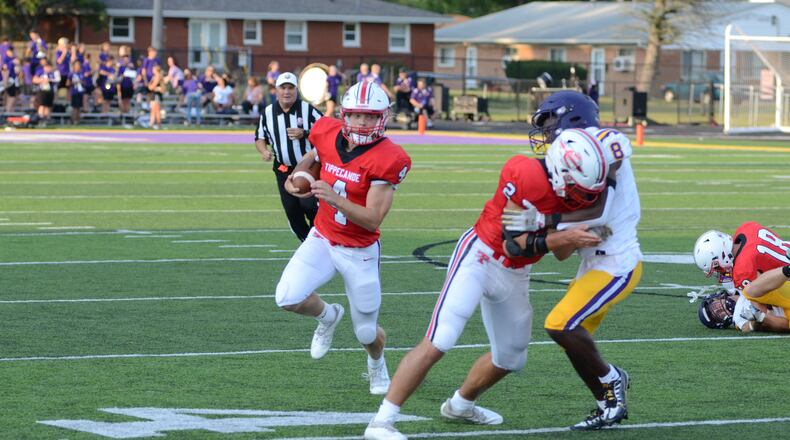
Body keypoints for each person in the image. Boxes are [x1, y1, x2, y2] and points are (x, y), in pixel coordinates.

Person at [364, 127, 609, 439]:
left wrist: (580, 237)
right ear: (561, 170)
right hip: (481, 255)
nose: (582, 197)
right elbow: (514, 244)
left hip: (516, 273)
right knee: (441, 338)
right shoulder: (524, 173)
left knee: (512, 356)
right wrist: (565, 234)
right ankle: (381, 422)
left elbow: (560, 254)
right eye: (578, 187)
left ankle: (460, 405)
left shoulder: (574, 195)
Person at [276, 81, 411, 396]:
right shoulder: (326, 130)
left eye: (369, 116)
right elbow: (313, 156)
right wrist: (298, 179)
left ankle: (377, 365)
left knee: (366, 331)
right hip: (322, 237)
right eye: (355, 116)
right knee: (287, 297)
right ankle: (328, 315)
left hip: (358, 249)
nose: (361, 123)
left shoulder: (389, 157)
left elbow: (373, 218)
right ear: (344, 114)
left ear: (383, 117)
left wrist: (332, 198)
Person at [526, 90, 643, 431]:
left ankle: (612, 388)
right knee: (571, 342)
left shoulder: (605, 141)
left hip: (618, 261)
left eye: (548, 122)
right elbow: (562, 252)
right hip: (591, 264)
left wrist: (552, 223)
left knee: (560, 324)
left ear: (570, 116)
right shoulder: (562, 160)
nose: (545, 133)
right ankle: (608, 395)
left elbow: (602, 209)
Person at [254, 72, 323, 242]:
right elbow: (259, 137)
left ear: (296, 90)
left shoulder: (308, 110)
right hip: (283, 169)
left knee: (310, 206)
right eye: (283, 88)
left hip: (309, 168)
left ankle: (317, 241)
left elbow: (327, 131)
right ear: (276, 90)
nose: (286, 92)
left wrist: (305, 133)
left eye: (290, 88)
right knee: (292, 211)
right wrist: (263, 151)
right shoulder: (268, 112)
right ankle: (307, 242)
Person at [693, 223, 790, 332]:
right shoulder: (746, 227)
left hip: (783, 283)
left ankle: (787, 270)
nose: (720, 273)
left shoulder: (742, 272)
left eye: (717, 267)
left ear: (723, 255)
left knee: (750, 291)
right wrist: (758, 320)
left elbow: (760, 305)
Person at [67, 59, 85, 124]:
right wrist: (74, 82)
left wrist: (82, 82)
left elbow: (84, 82)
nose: (78, 66)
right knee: (75, 107)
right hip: (74, 92)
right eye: (76, 65)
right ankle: (73, 120)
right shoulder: (71, 73)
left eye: (79, 65)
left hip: (80, 92)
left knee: (79, 107)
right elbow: (67, 83)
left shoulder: (81, 73)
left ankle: (78, 120)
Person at [147, 64, 164, 129]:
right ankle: (152, 124)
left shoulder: (158, 76)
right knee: (154, 110)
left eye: (153, 69)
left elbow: (152, 87)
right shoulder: (155, 76)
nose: (152, 70)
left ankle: (157, 124)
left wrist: (150, 87)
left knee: (156, 110)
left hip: (156, 95)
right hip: (154, 94)